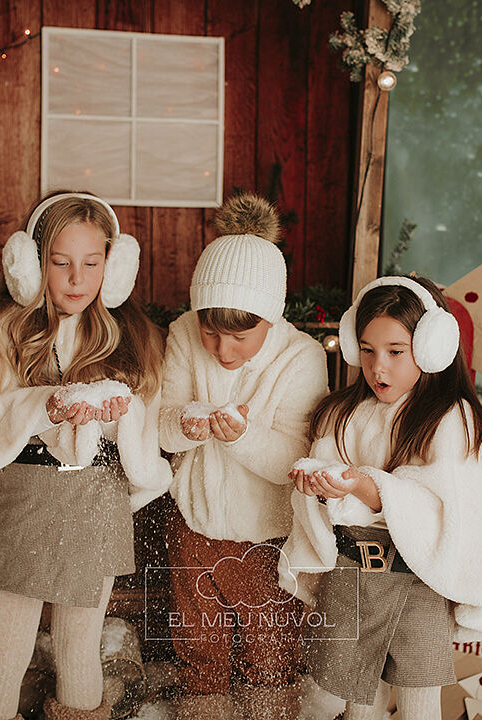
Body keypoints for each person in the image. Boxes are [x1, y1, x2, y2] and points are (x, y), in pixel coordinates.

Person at [0, 192, 172, 720]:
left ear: (115, 266)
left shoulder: (135, 337)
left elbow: (147, 427)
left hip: (96, 504)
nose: (77, 279)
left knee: (79, 652)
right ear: (31, 263)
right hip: (21, 499)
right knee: (4, 656)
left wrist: (116, 417)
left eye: (92, 263)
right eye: (61, 263)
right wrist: (46, 406)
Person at [280, 276, 482, 720]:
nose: (377, 368)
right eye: (367, 350)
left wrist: (365, 486)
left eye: (395, 352)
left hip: (416, 584)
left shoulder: (454, 421)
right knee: (357, 705)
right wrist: (319, 493)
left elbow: (449, 510)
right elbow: (329, 489)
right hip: (352, 582)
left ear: (430, 348)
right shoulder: (343, 413)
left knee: (418, 702)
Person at [158, 194, 329, 720]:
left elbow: (297, 462)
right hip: (193, 525)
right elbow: (161, 425)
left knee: (269, 656)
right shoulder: (183, 334)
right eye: (211, 331)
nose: (223, 350)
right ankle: (202, 710)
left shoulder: (301, 358)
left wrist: (240, 437)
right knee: (198, 650)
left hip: (268, 539)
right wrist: (185, 424)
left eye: (239, 336)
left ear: (271, 319)